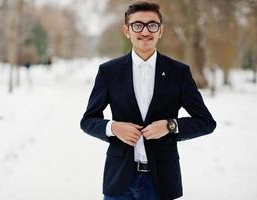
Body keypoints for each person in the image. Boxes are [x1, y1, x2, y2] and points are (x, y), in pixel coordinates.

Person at [80, 1, 216, 200]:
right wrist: (113, 127)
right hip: (119, 182)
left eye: (152, 25)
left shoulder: (179, 73)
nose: (145, 31)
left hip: (161, 182)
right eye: (137, 25)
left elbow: (206, 122)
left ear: (161, 31)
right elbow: (88, 121)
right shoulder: (108, 72)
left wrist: (170, 125)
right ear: (127, 30)